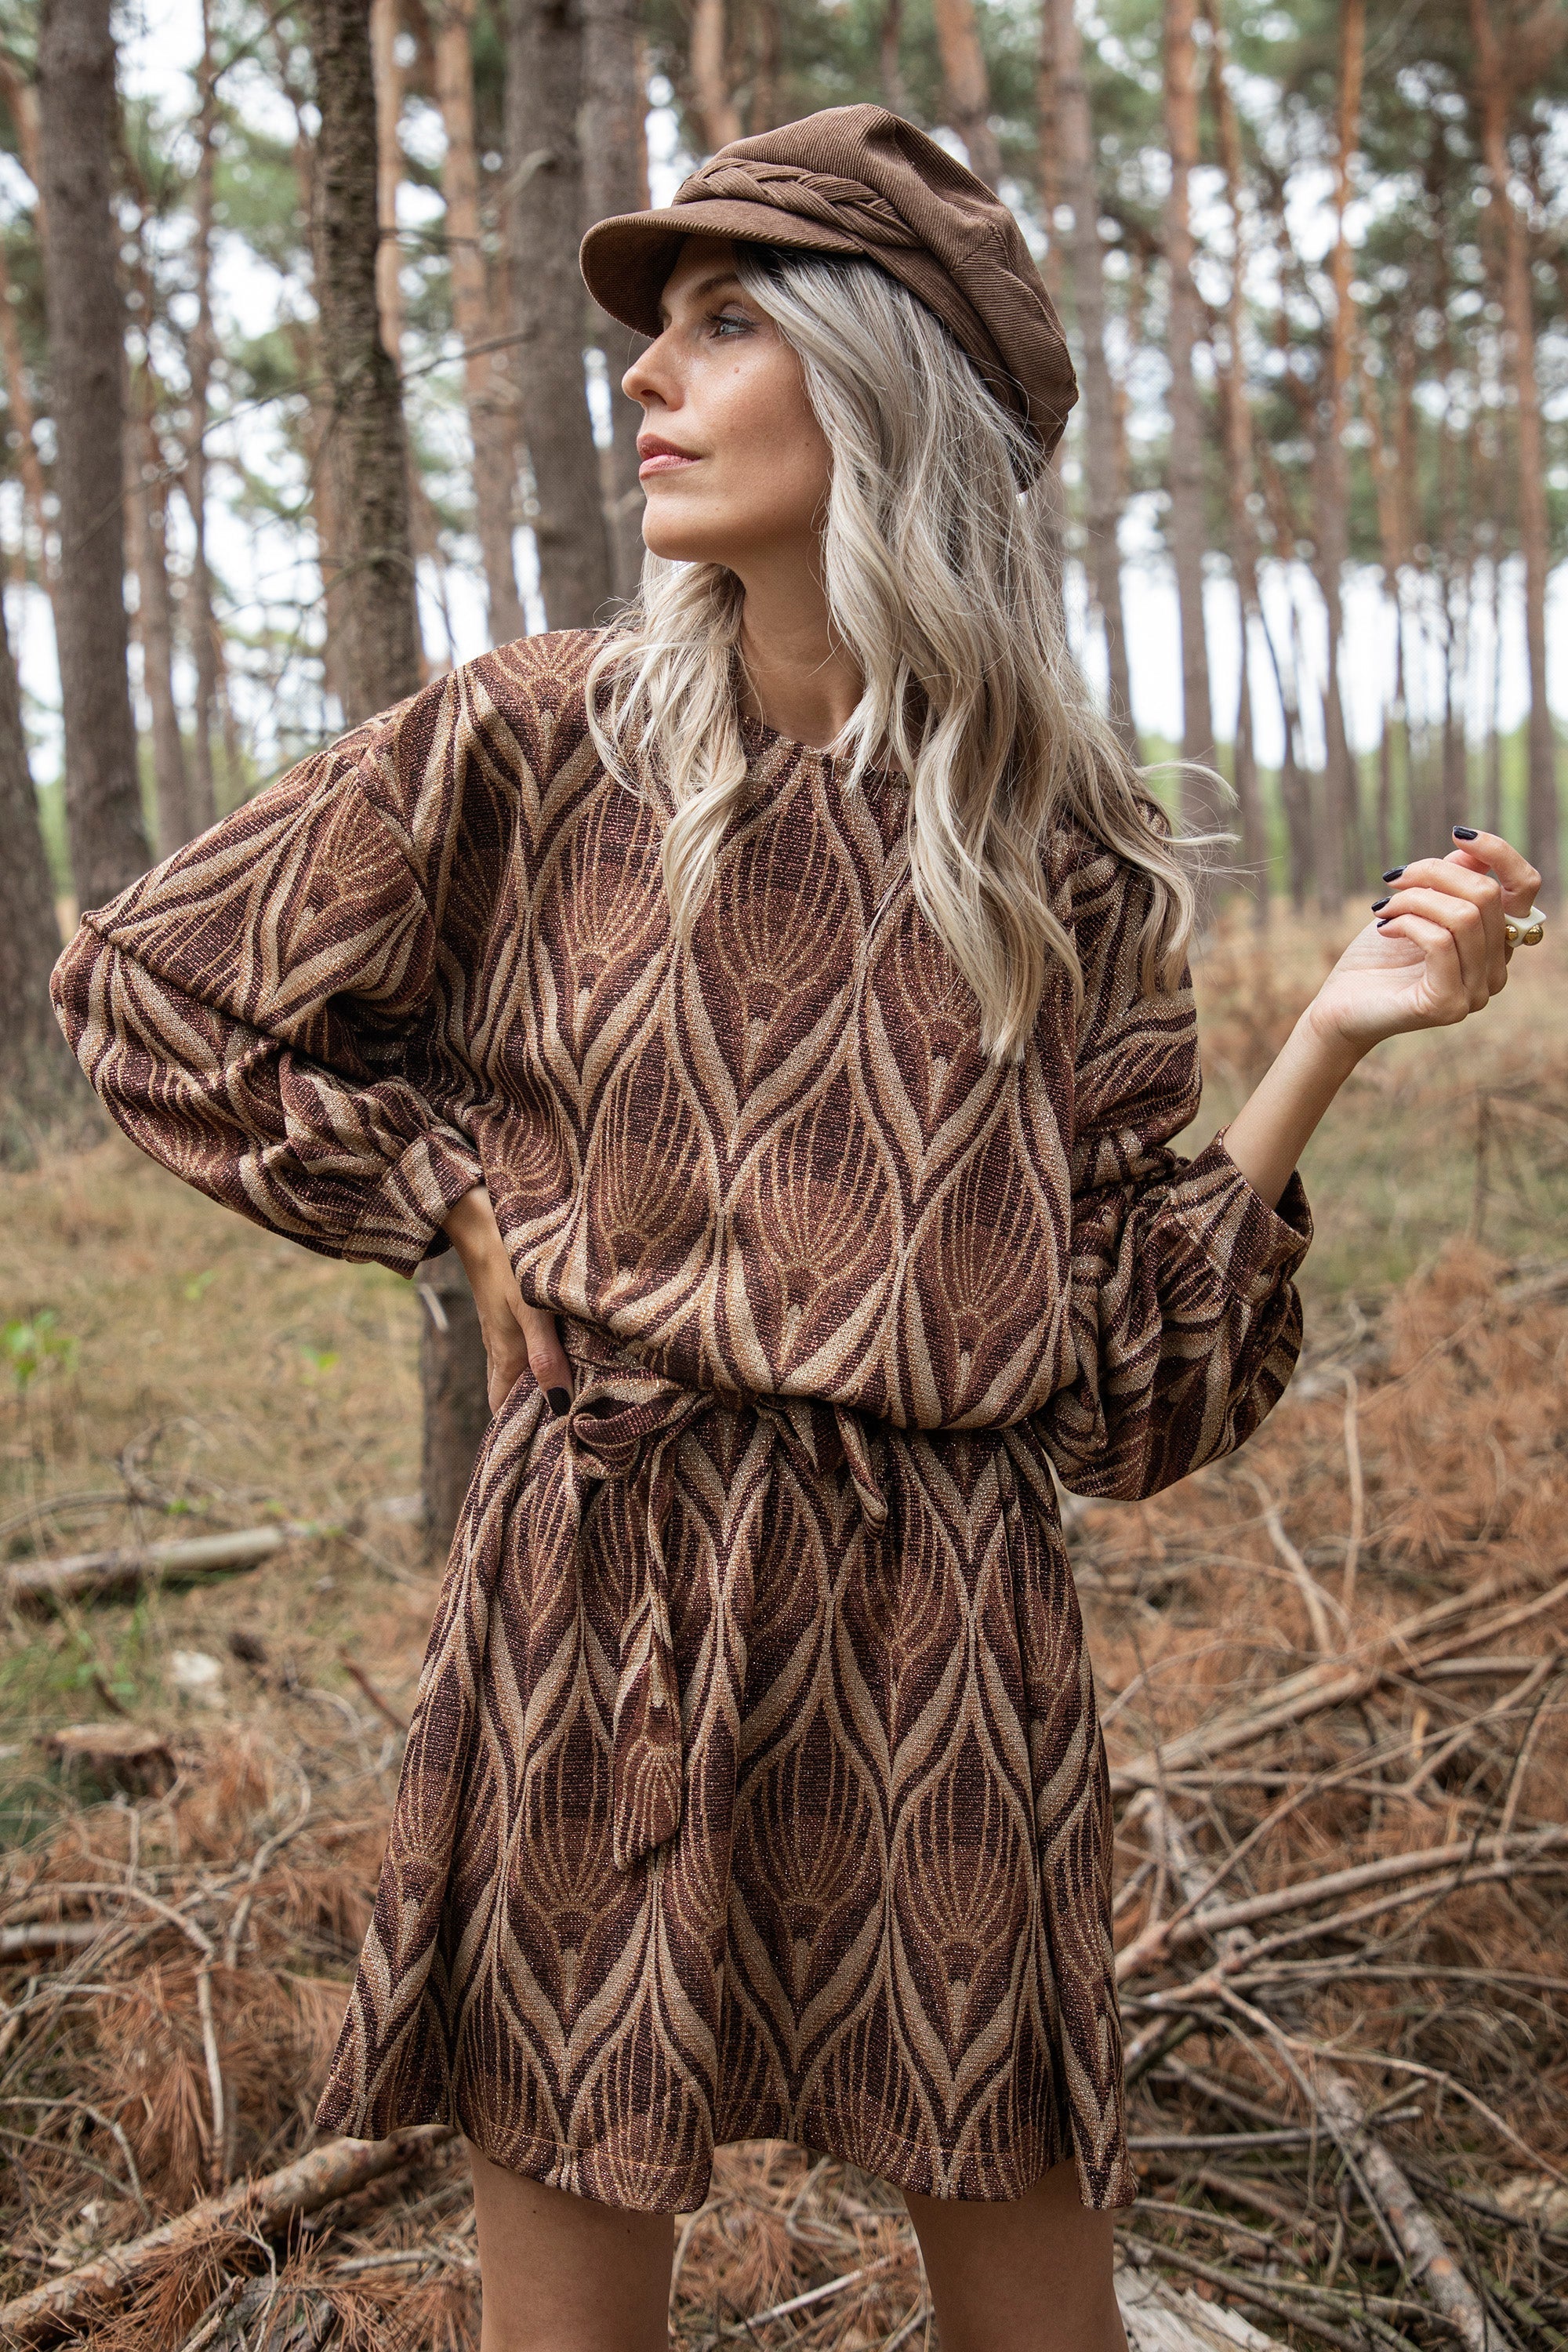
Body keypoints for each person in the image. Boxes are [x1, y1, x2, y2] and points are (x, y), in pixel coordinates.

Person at [53, 103, 1542, 2352]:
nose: (648, 374)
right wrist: (442, 1196)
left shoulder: (1060, 852)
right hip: (597, 1600)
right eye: (658, 329)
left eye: (727, 322)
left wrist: (1329, 1034)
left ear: (884, 385)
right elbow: (149, 991)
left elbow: (1131, 1398)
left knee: (1037, 2325)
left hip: (945, 1633)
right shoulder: (535, 745)